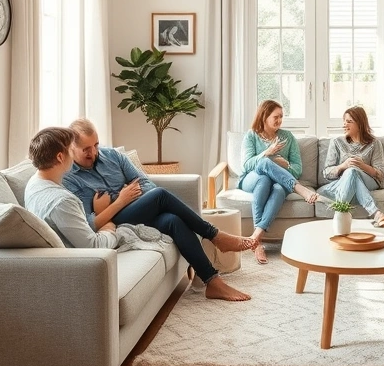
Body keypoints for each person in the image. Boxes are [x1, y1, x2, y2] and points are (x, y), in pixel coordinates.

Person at [61, 119, 254, 301]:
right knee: (161, 194)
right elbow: (91, 223)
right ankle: (214, 235)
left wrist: (128, 200)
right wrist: (120, 200)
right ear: (71, 147)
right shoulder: (70, 178)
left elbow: (145, 183)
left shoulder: (113, 156)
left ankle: (212, 282)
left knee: (172, 221)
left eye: (95, 145)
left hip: (137, 209)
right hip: (116, 222)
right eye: (86, 149)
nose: (93, 153)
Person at [239, 100, 319, 264]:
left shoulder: (287, 137)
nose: (279, 120)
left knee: (277, 188)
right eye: (276, 117)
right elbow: (246, 165)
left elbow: (297, 169)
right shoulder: (251, 135)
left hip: (274, 182)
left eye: (281, 117)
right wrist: (267, 154)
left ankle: (257, 239)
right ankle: (300, 189)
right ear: (264, 116)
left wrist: (286, 165)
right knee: (265, 164)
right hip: (250, 179)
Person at [318, 106, 384, 228]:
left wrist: (362, 166)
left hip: (369, 181)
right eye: (344, 121)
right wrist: (343, 166)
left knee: (352, 172)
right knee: (348, 173)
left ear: (360, 123)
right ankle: (376, 213)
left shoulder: (374, 144)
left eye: (349, 121)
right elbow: (326, 173)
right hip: (342, 183)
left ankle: (339, 216)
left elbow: (380, 174)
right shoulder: (336, 142)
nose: (345, 125)